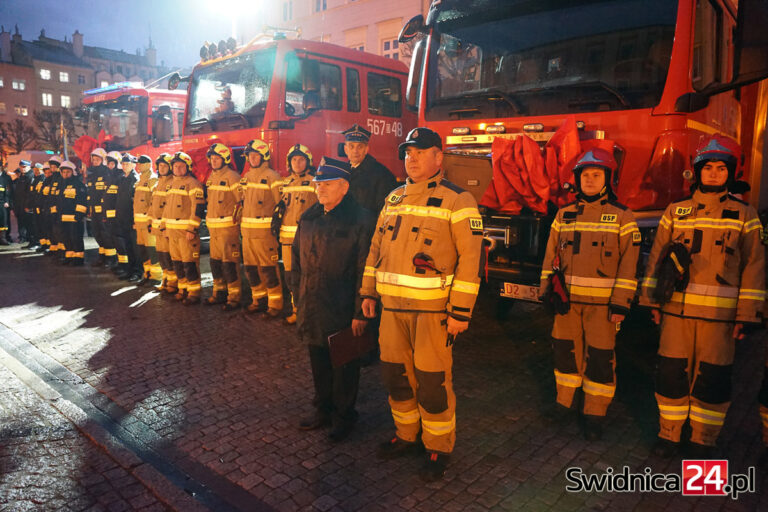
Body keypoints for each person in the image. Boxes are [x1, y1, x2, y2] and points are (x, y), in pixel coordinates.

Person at [360, 127, 483, 481]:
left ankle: (438, 447)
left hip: (433, 314)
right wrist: (368, 292)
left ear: (438, 157)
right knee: (395, 376)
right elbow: (375, 248)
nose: (411, 158)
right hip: (391, 312)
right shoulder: (394, 198)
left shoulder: (458, 200)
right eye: (407, 153)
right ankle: (406, 435)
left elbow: (470, 260)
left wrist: (460, 312)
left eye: (420, 151)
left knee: (432, 383)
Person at [640, 134, 765, 458]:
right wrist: (652, 301)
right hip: (676, 315)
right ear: (697, 171)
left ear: (731, 173)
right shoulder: (675, 211)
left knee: (712, 379)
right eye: (707, 167)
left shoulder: (745, 214)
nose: (713, 174)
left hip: (719, 321)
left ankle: (703, 440)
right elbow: (657, 259)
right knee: (671, 376)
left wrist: (747, 316)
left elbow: (754, 267)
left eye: (721, 168)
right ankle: (669, 435)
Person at [539, 148, 640, 441]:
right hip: (567, 304)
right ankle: (564, 404)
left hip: (603, 307)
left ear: (608, 179)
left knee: (599, 359)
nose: (590, 180)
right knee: (565, 354)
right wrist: (546, 292)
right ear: (577, 180)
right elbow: (550, 255)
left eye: (597, 175)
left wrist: (621, 304)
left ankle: (594, 413)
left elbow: (629, 264)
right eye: (585, 175)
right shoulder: (564, 214)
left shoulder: (623, 216)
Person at [292, 158, 375, 441]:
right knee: (319, 360)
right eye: (318, 184)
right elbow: (296, 262)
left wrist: (360, 312)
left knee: (345, 365)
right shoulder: (309, 217)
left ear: (344, 187)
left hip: (343, 307)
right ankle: (323, 409)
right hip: (313, 304)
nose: (320, 189)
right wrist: (298, 297)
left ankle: (344, 415)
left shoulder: (360, 219)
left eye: (327, 184)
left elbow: (365, 268)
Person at [240, 139, 284, 317]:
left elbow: (280, 205)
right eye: (250, 155)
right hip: (247, 234)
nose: (252, 158)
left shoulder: (273, 177)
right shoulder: (246, 177)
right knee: (251, 269)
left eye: (256, 155)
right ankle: (258, 300)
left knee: (268, 269)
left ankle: (275, 305)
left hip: (265, 234)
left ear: (264, 156)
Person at [279, 144, 317, 324]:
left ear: (308, 162)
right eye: (294, 159)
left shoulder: (315, 182)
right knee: (291, 277)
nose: (297, 163)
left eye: (301, 159)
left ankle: (309, 312)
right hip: (287, 240)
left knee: (307, 276)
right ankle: (296, 310)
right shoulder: (285, 183)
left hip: (306, 240)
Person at [160, 152, 205, 305]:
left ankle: (194, 292)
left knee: (189, 264)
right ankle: (182, 289)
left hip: (186, 233)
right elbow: (167, 208)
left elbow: (197, 208)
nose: (178, 169)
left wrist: (192, 229)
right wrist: (163, 227)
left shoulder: (193, 184)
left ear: (188, 167)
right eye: (175, 166)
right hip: (172, 232)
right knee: (178, 263)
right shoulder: (171, 184)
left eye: (181, 166)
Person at [204, 143, 244, 311]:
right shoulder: (211, 177)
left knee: (229, 264)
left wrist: (237, 224)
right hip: (214, 230)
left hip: (228, 229)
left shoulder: (233, 177)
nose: (214, 161)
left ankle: (234, 297)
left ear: (225, 159)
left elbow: (241, 202)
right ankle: (219, 293)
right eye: (212, 158)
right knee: (215, 263)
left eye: (217, 158)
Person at [342, 124, 398, 212]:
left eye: (360, 146)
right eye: (351, 146)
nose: (355, 151)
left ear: (366, 149)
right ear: (346, 149)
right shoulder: (341, 173)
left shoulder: (382, 175)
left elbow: (383, 212)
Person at [112, 154, 141, 280]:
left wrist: (134, 219)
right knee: (128, 246)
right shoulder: (122, 179)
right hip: (122, 218)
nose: (124, 166)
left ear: (133, 165)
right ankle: (130, 270)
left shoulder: (135, 179)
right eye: (123, 164)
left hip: (131, 218)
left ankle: (137, 272)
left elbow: (136, 201)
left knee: (135, 247)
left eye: (127, 164)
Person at [132, 155, 158, 284]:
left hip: (148, 223)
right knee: (143, 250)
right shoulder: (140, 180)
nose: (138, 166)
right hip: (139, 223)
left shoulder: (153, 179)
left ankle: (156, 276)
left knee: (152, 250)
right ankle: (147, 274)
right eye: (138, 164)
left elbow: (154, 202)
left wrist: (151, 222)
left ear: (148, 164)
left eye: (141, 164)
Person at [58, 160, 87, 266]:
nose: (65, 174)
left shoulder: (78, 185)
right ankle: (69, 256)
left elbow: (82, 200)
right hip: (63, 217)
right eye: (63, 172)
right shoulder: (61, 185)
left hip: (75, 217)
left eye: (68, 172)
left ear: (73, 172)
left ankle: (78, 258)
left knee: (76, 238)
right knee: (66, 238)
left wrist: (79, 215)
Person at [100, 151, 124, 269]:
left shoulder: (120, 177)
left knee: (119, 240)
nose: (110, 166)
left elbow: (119, 199)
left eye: (112, 164)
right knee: (112, 239)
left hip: (116, 216)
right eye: (108, 164)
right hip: (109, 215)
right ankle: (117, 262)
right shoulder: (110, 177)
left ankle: (123, 264)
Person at [86, 148, 110, 266]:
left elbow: (106, 194)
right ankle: (102, 256)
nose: (95, 162)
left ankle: (110, 258)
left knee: (105, 234)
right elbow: (90, 193)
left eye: (97, 159)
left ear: (103, 160)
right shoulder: (91, 174)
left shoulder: (107, 173)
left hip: (103, 210)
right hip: (94, 210)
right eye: (93, 159)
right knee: (97, 233)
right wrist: (89, 208)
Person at [46, 155, 65, 260]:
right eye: (51, 167)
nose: (52, 169)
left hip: (59, 209)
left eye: (54, 167)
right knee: (55, 230)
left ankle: (62, 251)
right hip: (52, 208)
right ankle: (58, 250)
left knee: (60, 231)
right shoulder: (53, 178)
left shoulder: (60, 178)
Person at [22, 163, 44, 250]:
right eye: (34, 170)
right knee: (33, 226)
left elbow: (38, 194)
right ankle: (33, 242)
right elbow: (31, 193)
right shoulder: (35, 179)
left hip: (39, 206)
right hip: (34, 206)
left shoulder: (42, 179)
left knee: (38, 226)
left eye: (37, 170)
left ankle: (38, 243)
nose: (35, 171)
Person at [12, 160, 33, 243]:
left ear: (29, 167)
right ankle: (22, 237)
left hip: (26, 204)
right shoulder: (22, 176)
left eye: (24, 167)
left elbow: (29, 193)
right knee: (21, 221)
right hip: (19, 204)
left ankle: (28, 238)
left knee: (28, 222)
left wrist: (28, 205)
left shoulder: (30, 176)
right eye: (21, 167)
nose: (22, 168)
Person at [36, 162, 54, 253]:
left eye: (49, 172)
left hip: (49, 209)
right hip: (43, 208)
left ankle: (50, 246)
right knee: (43, 228)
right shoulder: (44, 181)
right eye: (46, 173)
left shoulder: (53, 182)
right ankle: (44, 245)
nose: (47, 174)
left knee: (49, 229)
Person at [0, 165, 12, 245]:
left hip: (2, 202)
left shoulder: (6, 178)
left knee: (3, 220)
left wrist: (7, 201)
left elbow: (8, 190)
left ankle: (3, 238)